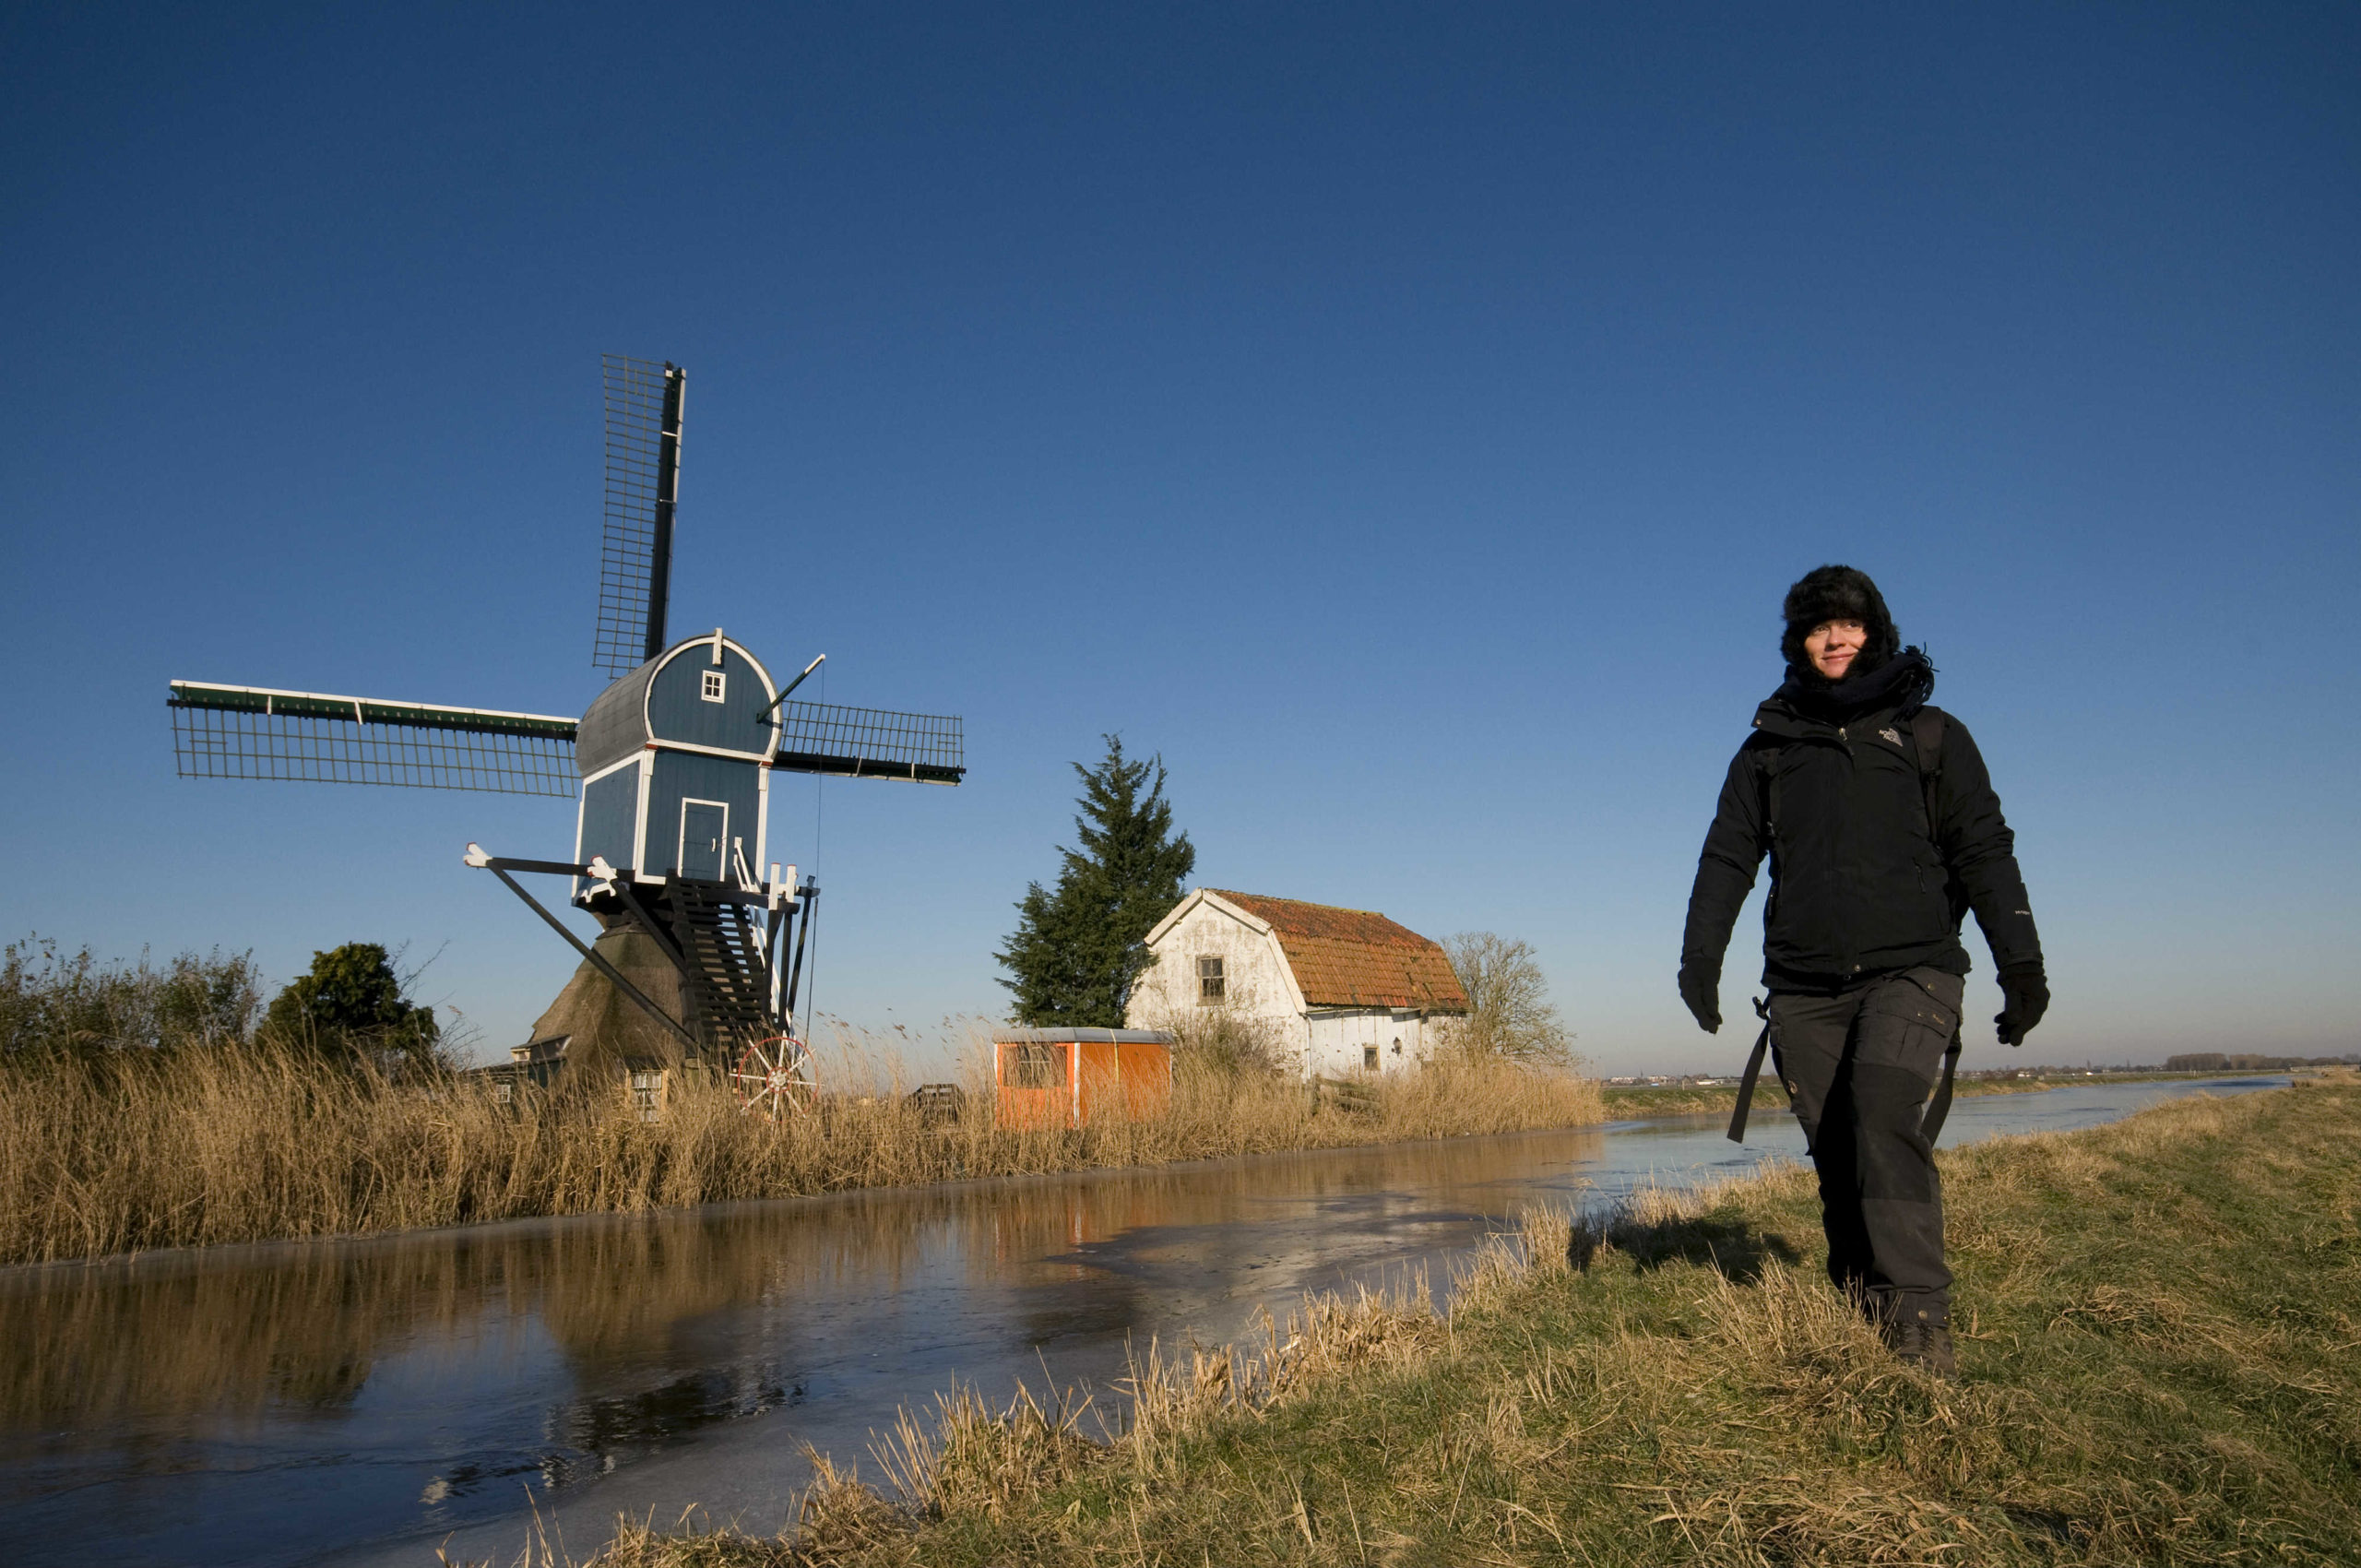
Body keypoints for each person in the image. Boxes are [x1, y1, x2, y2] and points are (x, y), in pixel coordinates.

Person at [1678, 564, 2047, 1375]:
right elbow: (1727, 855)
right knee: (1838, 1148)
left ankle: (1920, 1321)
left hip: (1911, 969)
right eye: (1819, 627)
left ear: (1874, 631)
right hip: (1805, 987)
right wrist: (1700, 957)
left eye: (1849, 624)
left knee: (1882, 1116)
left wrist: (2020, 964)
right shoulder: (1767, 750)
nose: (1836, 639)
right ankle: (1863, 1308)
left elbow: (1983, 848)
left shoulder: (1929, 734)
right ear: (1798, 641)